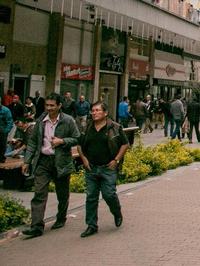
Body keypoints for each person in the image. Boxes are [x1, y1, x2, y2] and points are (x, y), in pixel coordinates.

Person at [21, 93, 81, 238]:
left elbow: (77, 138)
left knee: (62, 194)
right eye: (47, 105)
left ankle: (61, 217)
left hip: (61, 161)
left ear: (59, 106)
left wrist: (62, 141)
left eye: (52, 105)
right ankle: (36, 226)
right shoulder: (41, 120)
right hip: (43, 161)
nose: (49, 108)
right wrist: (27, 161)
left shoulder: (68, 120)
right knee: (39, 193)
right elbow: (34, 141)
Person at [77, 101, 129, 237]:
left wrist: (116, 160)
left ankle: (117, 212)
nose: (94, 113)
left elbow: (125, 144)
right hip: (91, 168)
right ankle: (91, 225)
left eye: (97, 110)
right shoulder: (87, 127)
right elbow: (79, 145)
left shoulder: (115, 127)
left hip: (108, 168)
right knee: (91, 198)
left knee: (109, 194)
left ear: (105, 113)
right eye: (92, 111)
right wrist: (84, 159)